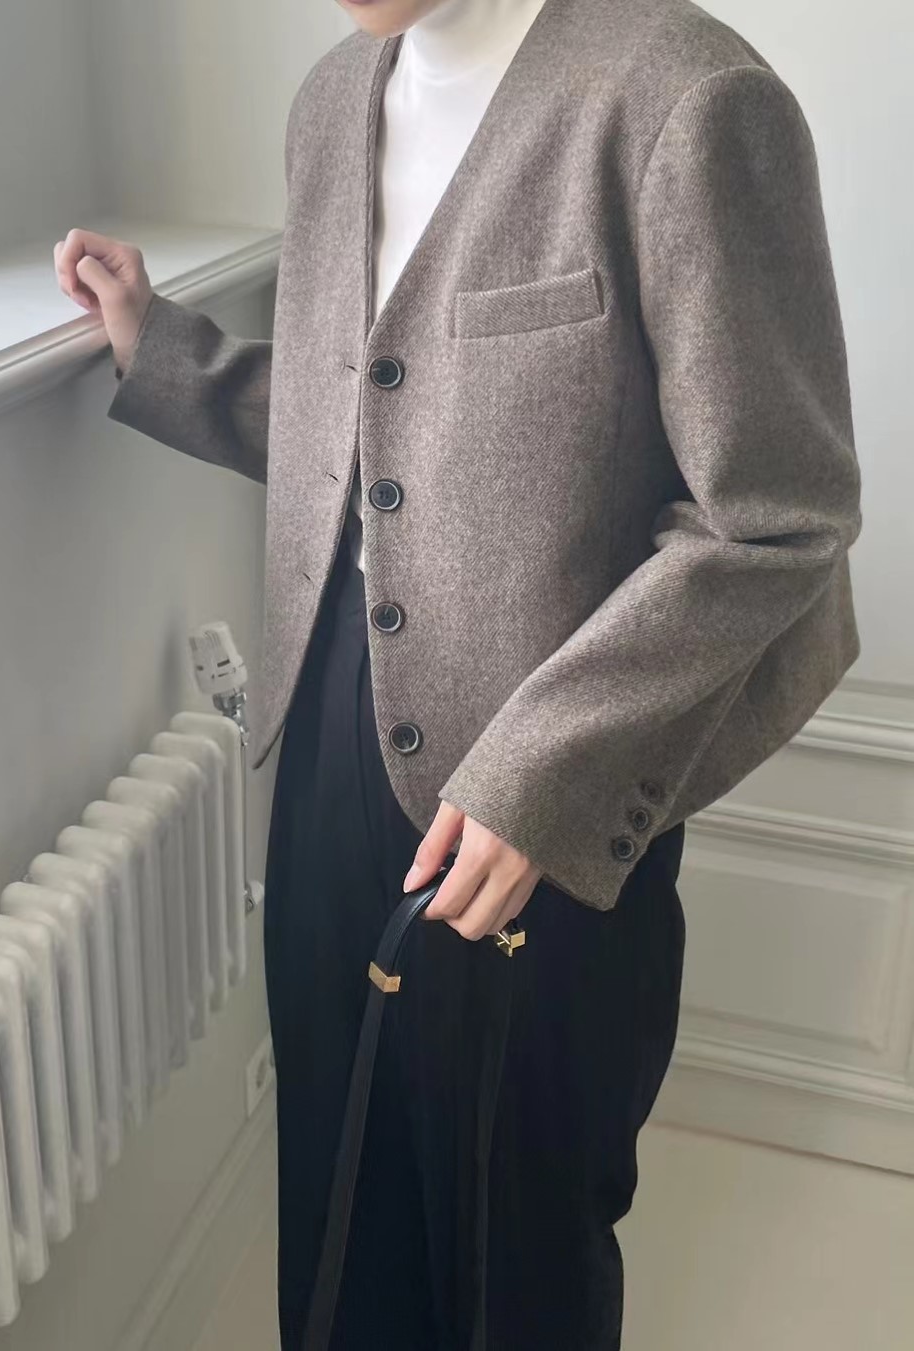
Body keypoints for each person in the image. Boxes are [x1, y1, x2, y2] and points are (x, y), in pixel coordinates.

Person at [55, 0, 861, 1346]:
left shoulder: (690, 97)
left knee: (519, 1232)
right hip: (328, 731)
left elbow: (778, 518)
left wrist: (544, 773)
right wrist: (165, 353)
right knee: (342, 1173)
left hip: (556, 774)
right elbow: (369, 422)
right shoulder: (332, 102)